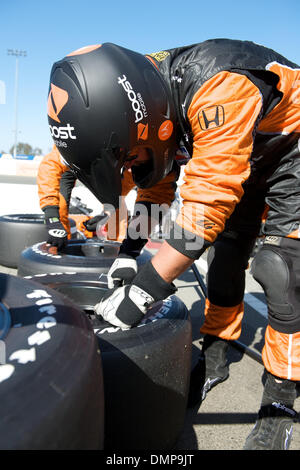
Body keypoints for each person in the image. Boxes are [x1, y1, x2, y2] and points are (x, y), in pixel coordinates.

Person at [47, 40, 300, 450]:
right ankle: (217, 355)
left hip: (292, 148)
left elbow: (203, 211)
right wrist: (129, 258)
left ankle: (280, 402)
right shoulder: (151, 103)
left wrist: (143, 292)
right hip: (246, 150)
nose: (130, 167)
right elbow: (157, 185)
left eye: (128, 158)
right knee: (226, 258)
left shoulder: (218, 87)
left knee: (280, 270)